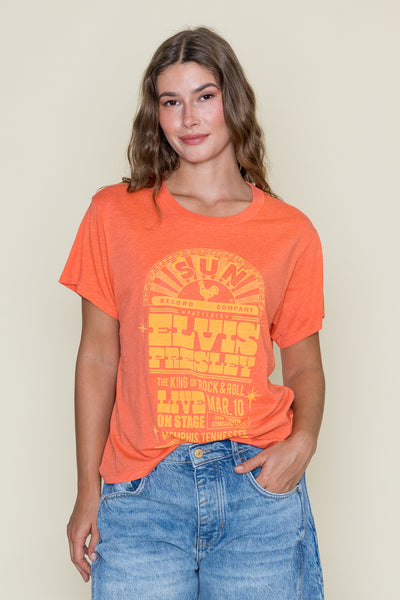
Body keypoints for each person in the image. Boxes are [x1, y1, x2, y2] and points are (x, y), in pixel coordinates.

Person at [60, 26, 325, 600]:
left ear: (234, 101)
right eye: (170, 101)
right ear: (155, 115)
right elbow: (98, 356)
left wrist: (303, 442)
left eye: (205, 96)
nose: (188, 118)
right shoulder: (114, 213)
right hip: (141, 493)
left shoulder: (290, 232)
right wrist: (87, 490)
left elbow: (304, 364)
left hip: (256, 487)